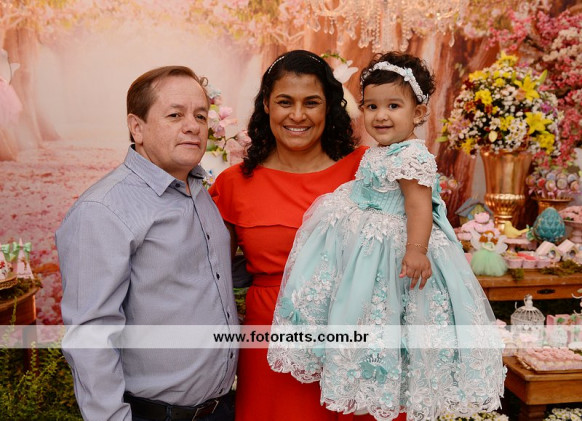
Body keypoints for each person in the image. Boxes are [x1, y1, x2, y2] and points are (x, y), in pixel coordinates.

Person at [267, 52, 505, 420]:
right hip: (368, 244)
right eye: (372, 106)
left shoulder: (411, 156)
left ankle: (386, 374)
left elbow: (419, 207)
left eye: (394, 106)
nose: (381, 115)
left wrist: (416, 249)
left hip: (395, 248)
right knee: (363, 309)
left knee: (390, 311)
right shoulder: (383, 151)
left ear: (418, 112)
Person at [209, 50, 390, 421]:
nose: (297, 115)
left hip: (358, 346)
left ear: (330, 107)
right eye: (284, 102)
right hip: (272, 349)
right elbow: (209, 282)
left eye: (311, 102)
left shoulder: (367, 171)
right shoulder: (233, 185)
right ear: (266, 105)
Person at [57, 66, 238, 421]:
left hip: (221, 409)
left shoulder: (197, 190)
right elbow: (90, 336)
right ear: (136, 127)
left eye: (200, 115)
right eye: (175, 115)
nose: (193, 126)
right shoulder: (103, 209)